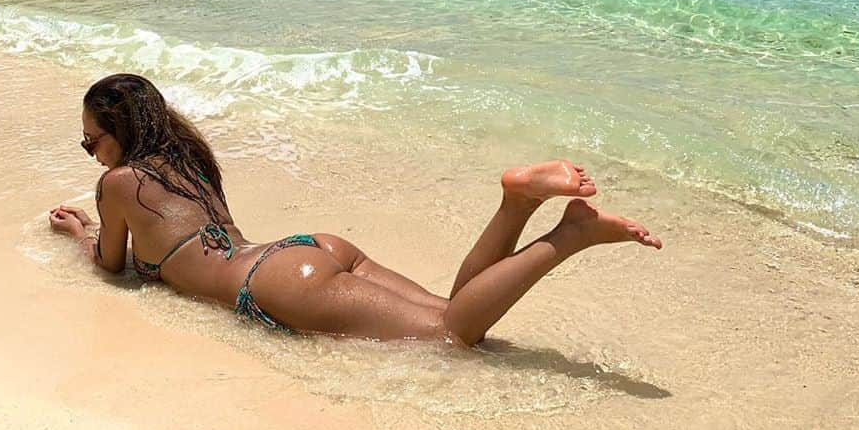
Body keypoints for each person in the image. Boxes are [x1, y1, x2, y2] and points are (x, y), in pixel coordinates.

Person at [50, 73, 661, 346]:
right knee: (454, 313)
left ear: (121, 133)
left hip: (273, 285)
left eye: (92, 141)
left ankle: (569, 235)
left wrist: (80, 229)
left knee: (454, 333)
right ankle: (513, 203)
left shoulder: (120, 183)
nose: (90, 153)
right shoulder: (192, 160)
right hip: (303, 250)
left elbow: (111, 267)